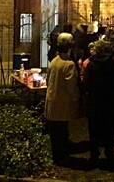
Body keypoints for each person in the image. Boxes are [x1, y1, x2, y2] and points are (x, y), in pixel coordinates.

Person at [44, 33, 82, 165]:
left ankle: (56, 156)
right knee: (62, 131)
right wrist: (77, 99)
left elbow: (48, 80)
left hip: (52, 102)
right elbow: (71, 87)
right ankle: (62, 157)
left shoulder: (54, 61)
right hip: (62, 103)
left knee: (55, 133)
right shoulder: (69, 64)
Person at [83, 39, 114, 166]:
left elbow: (86, 84)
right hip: (109, 102)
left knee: (94, 130)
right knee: (109, 129)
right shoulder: (112, 64)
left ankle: (94, 155)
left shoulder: (91, 65)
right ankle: (109, 154)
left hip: (94, 102)